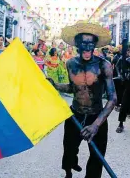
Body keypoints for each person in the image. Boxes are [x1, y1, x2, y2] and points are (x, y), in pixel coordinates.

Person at [48, 21, 117, 178]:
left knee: (97, 157)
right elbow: (74, 88)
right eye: (83, 43)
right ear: (77, 44)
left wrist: (95, 125)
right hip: (75, 115)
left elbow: (113, 98)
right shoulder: (71, 63)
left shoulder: (104, 65)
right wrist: (56, 85)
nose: (87, 47)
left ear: (95, 45)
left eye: (90, 43)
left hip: (96, 116)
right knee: (69, 150)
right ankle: (68, 172)